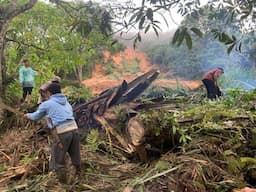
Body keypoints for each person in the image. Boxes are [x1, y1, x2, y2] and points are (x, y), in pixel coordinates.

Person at [23, 83, 81, 184]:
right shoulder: (66, 102)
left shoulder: (47, 104)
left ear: (49, 93)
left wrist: (27, 115)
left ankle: (63, 185)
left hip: (62, 133)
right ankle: (76, 179)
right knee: (75, 158)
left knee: (58, 161)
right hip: (74, 130)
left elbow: (36, 116)